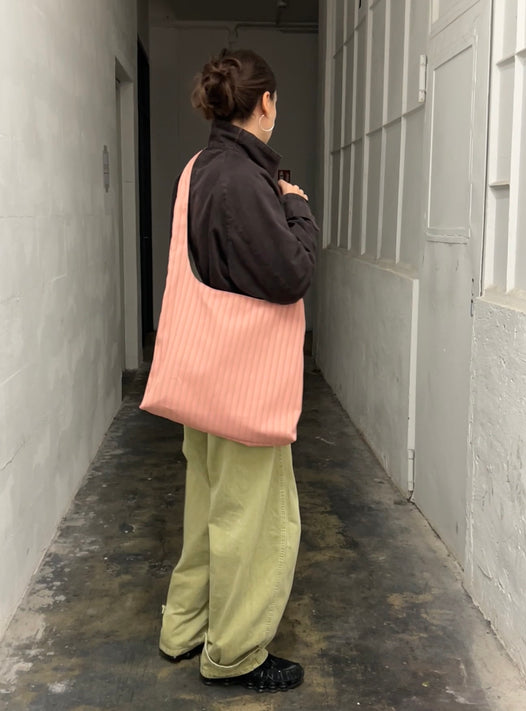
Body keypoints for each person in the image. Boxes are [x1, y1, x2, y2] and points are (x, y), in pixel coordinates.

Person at [157, 48, 319, 693]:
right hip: (244, 389)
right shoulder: (245, 179)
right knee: (255, 524)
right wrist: (297, 206)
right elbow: (290, 274)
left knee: (207, 512)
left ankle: (185, 629)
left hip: (203, 379)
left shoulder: (198, 168)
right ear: (266, 102)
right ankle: (235, 654)